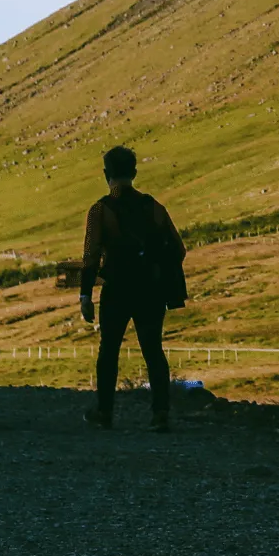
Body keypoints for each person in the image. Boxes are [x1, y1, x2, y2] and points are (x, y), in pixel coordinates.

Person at [80, 145, 186, 432]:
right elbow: (178, 248)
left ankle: (104, 412)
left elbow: (90, 256)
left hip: (116, 289)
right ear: (134, 173)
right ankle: (160, 414)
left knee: (109, 350)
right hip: (150, 289)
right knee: (153, 350)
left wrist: (85, 294)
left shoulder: (99, 210)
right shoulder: (154, 206)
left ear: (106, 174)